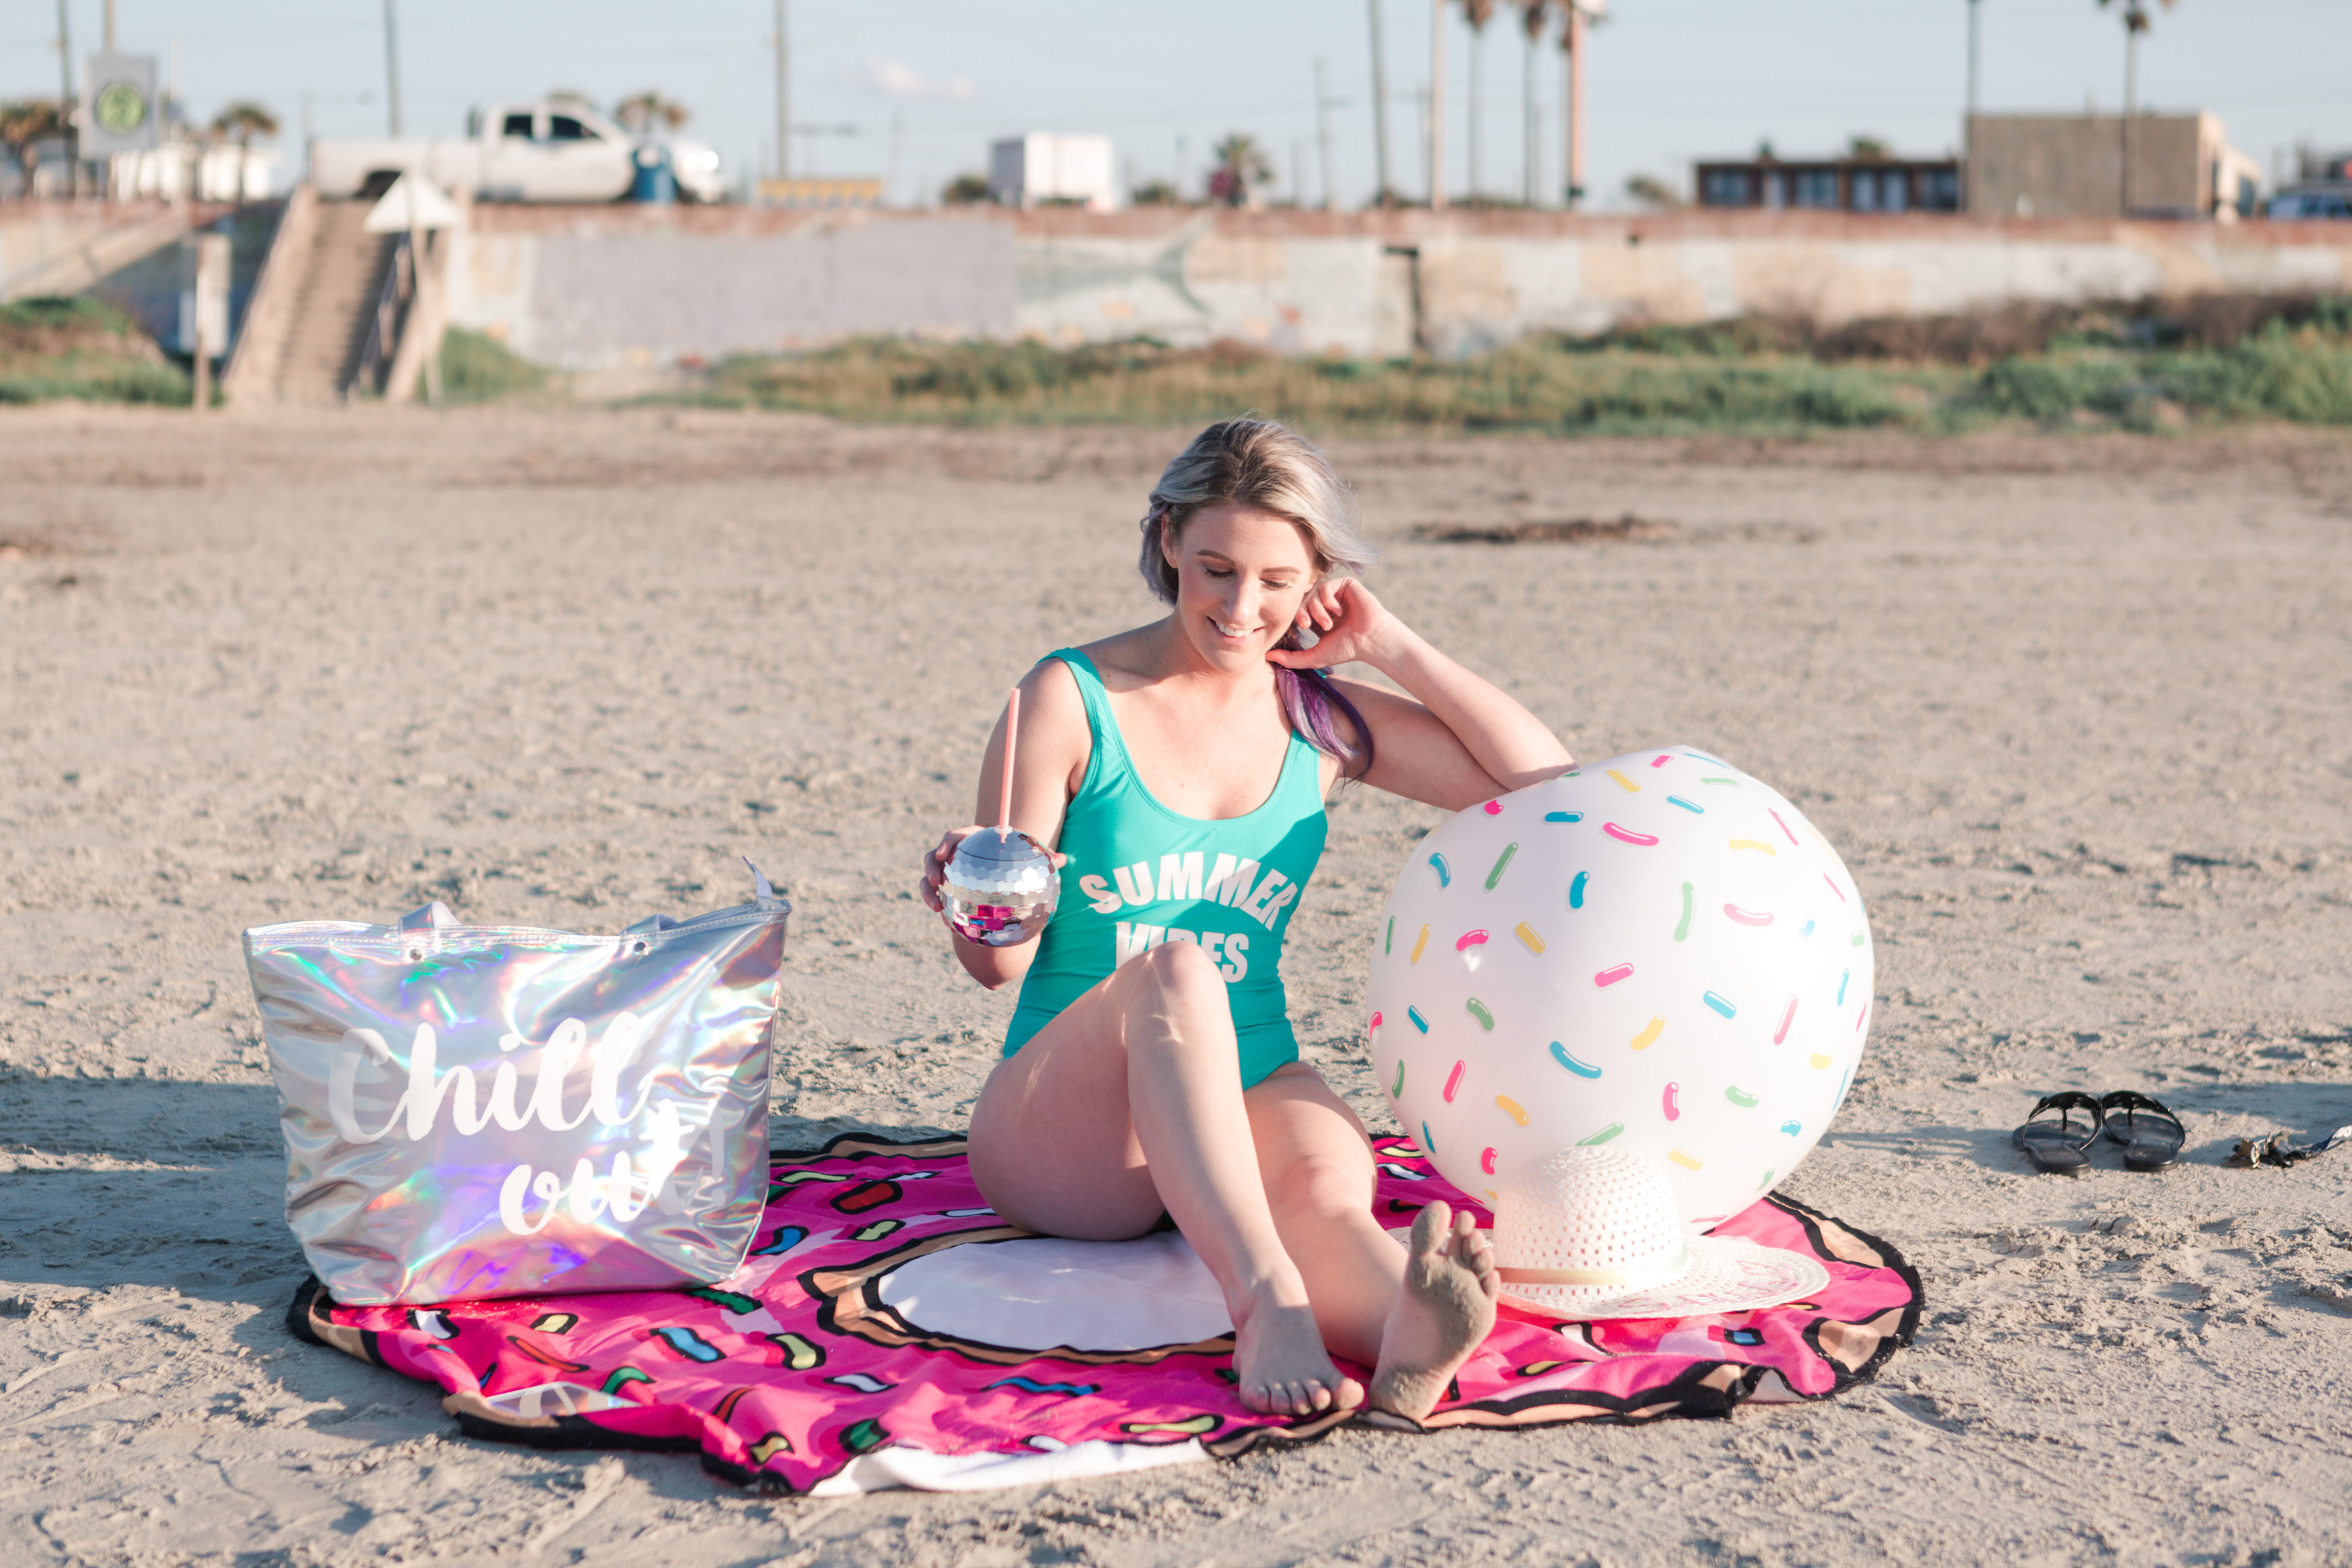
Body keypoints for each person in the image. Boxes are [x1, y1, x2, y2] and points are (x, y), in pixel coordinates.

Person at [919, 419, 1573, 1420]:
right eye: (1218, 568)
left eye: (1277, 579)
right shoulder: (1070, 696)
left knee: (1322, 1188)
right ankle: (1264, 1299)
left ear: (1318, 578)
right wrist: (983, 904)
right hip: (1070, 1130)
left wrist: (1389, 644)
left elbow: (1548, 787)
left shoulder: (1316, 717)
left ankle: (1405, 1327)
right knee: (1178, 973)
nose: (1241, 607)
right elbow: (994, 972)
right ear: (1168, 537)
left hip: (1254, 1079)